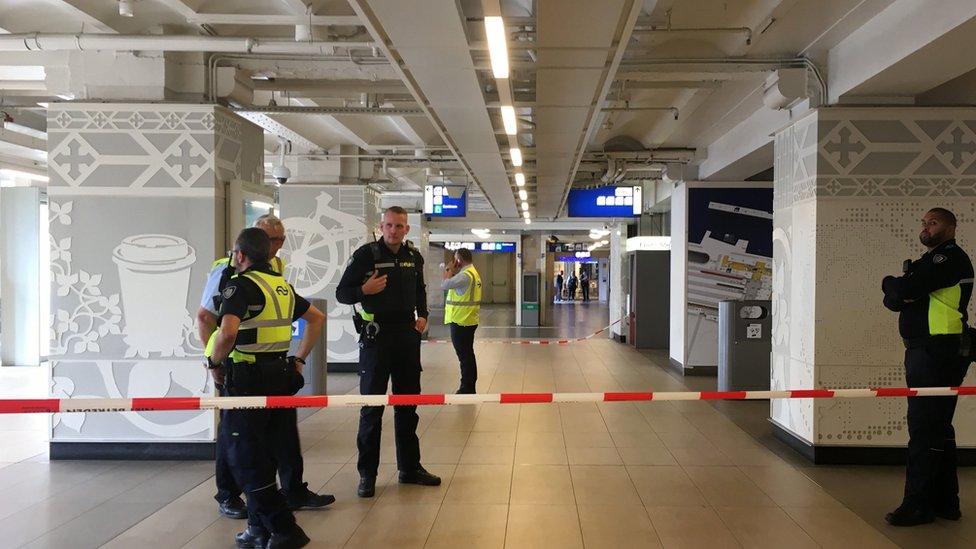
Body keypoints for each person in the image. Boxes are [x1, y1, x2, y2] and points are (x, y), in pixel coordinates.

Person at [196, 214, 333, 520]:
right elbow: (206, 318)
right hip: (237, 363)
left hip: (275, 366)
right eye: (271, 239)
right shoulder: (226, 270)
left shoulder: (275, 270)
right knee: (236, 436)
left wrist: (297, 359)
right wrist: (216, 362)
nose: (276, 246)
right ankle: (229, 494)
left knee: (282, 434)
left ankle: (291, 490)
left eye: (280, 240)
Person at [335, 206, 441, 498]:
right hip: (376, 339)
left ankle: (409, 468)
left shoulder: (413, 257)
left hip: (407, 337)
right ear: (381, 226)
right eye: (390, 225)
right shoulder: (366, 255)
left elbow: (420, 290)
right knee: (371, 409)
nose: (394, 231)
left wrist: (423, 314)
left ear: (407, 229)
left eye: (400, 226)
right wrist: (363, 291)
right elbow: (342, 293)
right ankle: (367, 475)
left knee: (408, 407)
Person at [881, 207, 973, 526]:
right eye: (923, 222)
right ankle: (946, 502)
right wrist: (897, 290)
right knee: (938, 426)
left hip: (938, 350)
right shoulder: (929, 262)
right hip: (929, 349)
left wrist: (892, 282)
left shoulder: (947, 259)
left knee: (923, 427)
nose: (926, 227)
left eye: (933, 223)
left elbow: (903, 292)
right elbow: (894, 301)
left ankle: (917, 504)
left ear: (950, 227)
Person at [442, 247, 482, 394]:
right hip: (467, 319)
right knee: (467, 355)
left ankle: (467, 388)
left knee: (465, 356)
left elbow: (444, 284)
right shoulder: (472, 273)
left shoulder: (465, 275)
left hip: (461, 321)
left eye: (455, 259)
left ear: (459, 260)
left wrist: (448, 268)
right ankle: (469, 386)